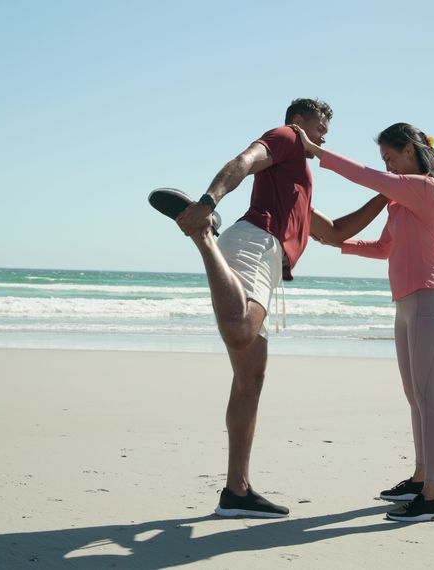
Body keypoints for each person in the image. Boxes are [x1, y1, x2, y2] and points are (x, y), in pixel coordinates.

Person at [150, 99, 388, 518]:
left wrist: (387, 196)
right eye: (320, 125)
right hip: (254, 243)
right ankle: (203, 235)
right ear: (298, 121)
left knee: (250, 379)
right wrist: (209, 201)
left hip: (264, 255)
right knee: (241, 331)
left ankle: (236, 492)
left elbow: (334, 233)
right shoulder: (288, 138)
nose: (324, 136)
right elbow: (244, 160)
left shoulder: (296, 182)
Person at [293, 122, 434, 522]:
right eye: (384, 160)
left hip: (429, 300)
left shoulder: (426, 189)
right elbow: (386, 249)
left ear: (411, 151)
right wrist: (339, 243)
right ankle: (420, 479)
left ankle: (432, 498)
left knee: (430, 402)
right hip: (407, 304)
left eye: (390, 157)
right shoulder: (402, 202)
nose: (387, 167)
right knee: (415, 399)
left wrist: (317, 151)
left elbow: (366, 177)